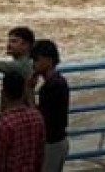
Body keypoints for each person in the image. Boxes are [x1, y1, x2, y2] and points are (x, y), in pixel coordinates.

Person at [0, 70, 44, 172]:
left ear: (4, 93)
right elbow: (40, 155)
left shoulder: (4, 124)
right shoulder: (37, 117)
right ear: (24, 92)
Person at [30, 40, 70, 172]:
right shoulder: (60, 81)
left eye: (36, 59)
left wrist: (28, 90)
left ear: (48, 60)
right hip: (59, 141)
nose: (33, 63)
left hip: (51, 144)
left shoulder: (50, 87)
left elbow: (38, 118)